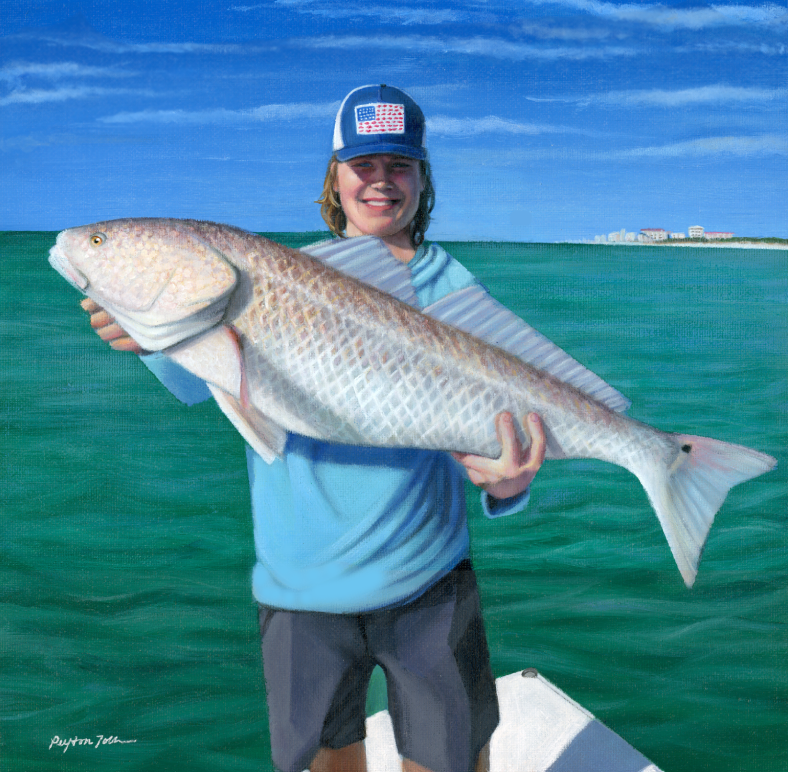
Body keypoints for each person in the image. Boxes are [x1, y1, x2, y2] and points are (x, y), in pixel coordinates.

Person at [82, 84, 546, 772]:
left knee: (453, 760)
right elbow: (189, 374)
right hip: (299, 591)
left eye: (400, 164)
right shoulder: (262, 279)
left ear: (423, 177)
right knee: (326, 760)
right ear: (335, 176)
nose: (381, 181)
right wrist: (142, 328)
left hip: (430, 580)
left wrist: (511, 486)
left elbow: (511, 439)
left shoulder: (454, 290)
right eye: (364, 164)